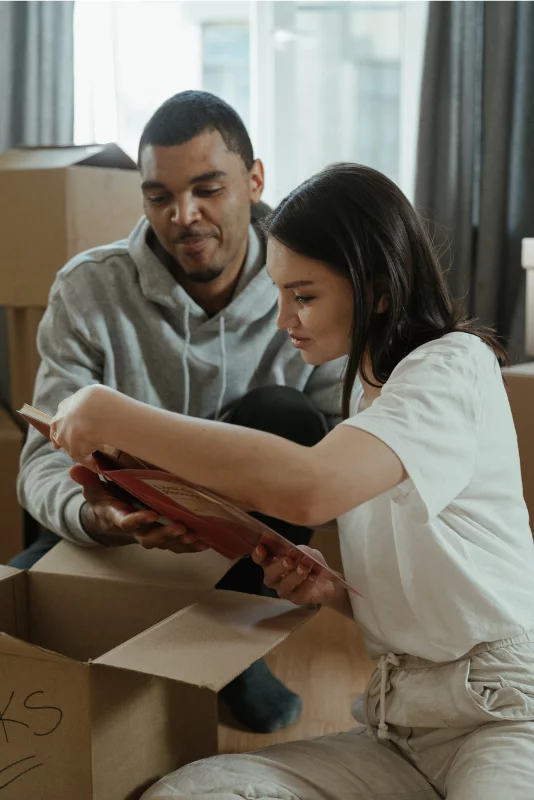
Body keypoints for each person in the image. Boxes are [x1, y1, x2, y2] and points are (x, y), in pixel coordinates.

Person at [50, 162, 534, 800]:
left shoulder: (451, 366)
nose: (285, 319)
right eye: (279, 294)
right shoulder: (369, 403)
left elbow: (308, 489)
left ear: (380, 290)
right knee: (192, 793)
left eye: (303, 296)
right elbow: (423, 591)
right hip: (403, 728)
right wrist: (332, 591)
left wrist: (114, 414)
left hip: (502, 716)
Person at [14, 91, 346, 734]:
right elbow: (38, 465)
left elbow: (343, 448)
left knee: (292, 418)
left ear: (254, 181)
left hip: (242, 550)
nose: (182, 216)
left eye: (206, 189)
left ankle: (230, 644)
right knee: (13, 622)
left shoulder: (310, 284)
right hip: (114, 537)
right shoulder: (88, 289)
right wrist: (98, 516)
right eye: (158, 196)